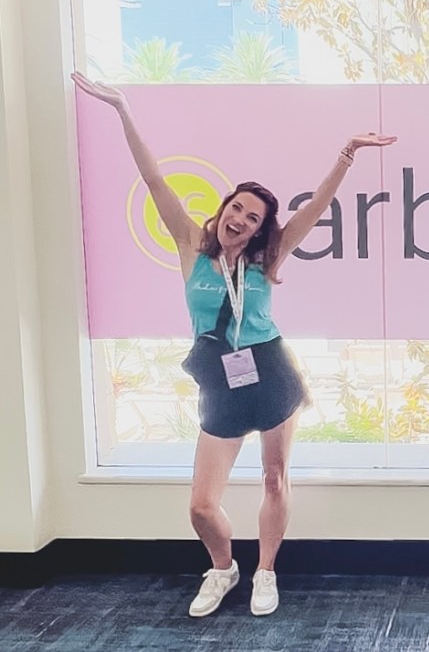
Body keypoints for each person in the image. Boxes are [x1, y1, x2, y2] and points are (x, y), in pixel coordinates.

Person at [71, 72, 396, 617]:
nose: (240, 219)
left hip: (270, 370)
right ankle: (224, 568)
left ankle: (266, 571)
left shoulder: (268, 260)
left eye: (253, 217)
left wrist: (346, 154)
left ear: (259, 229)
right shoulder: (189, 249)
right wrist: (124, 109)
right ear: (222, 209)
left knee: (274, 476)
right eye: (236, 208)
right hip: (218, 379)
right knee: (201, 505)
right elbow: (154, 179)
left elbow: (314, 208)